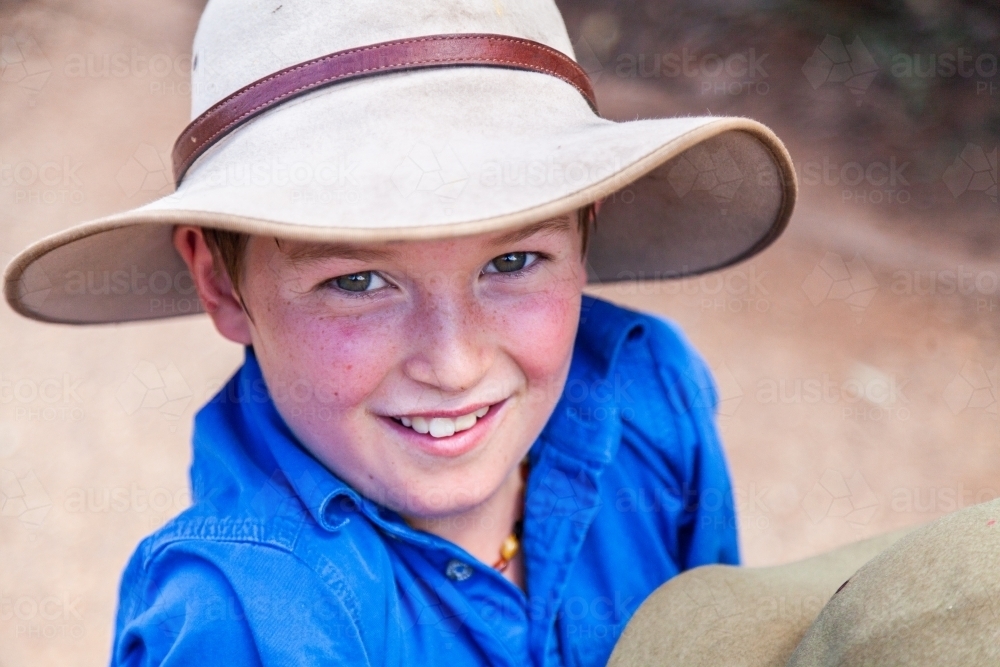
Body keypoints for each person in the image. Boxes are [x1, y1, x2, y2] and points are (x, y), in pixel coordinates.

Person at [2, 0, 796, 664]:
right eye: (356, 281)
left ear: (587, 228)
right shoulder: (245, 621)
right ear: (219, 280)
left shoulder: (648, 392)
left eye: (514, 259)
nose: (453, 364)